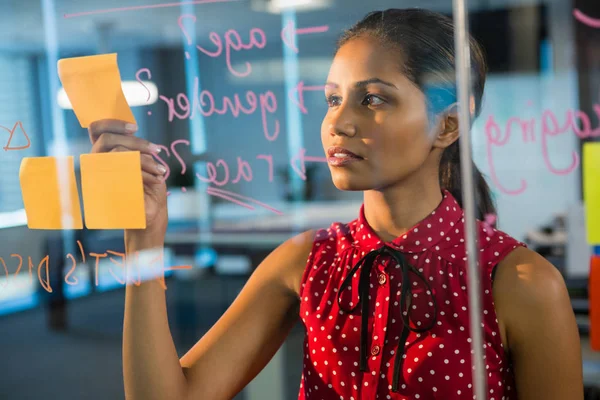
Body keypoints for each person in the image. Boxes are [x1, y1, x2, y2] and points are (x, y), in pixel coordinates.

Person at [87, 8, 583, 400]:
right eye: (331, 99)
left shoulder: (519, 283)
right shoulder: (307, 262)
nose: (338, 123)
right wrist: (144, 240)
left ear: (448, 126)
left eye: (372, 100)